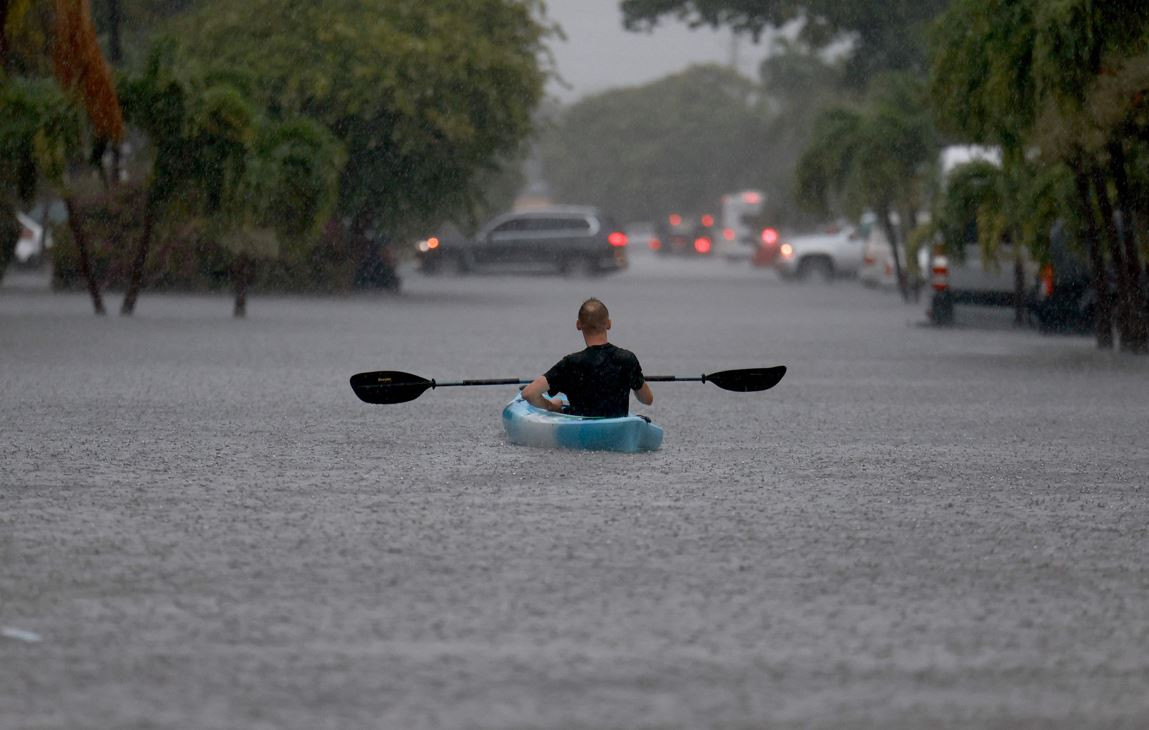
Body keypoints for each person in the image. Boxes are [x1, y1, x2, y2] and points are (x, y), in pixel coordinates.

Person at [522, 298, 654, 418]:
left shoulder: (571, 363)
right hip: (616, 429)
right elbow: (647, 400)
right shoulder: (627, 359)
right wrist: (634, 380)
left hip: (580, 430)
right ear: (608, 324)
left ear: (578, 325)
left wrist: (552, 406)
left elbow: (529, 393)